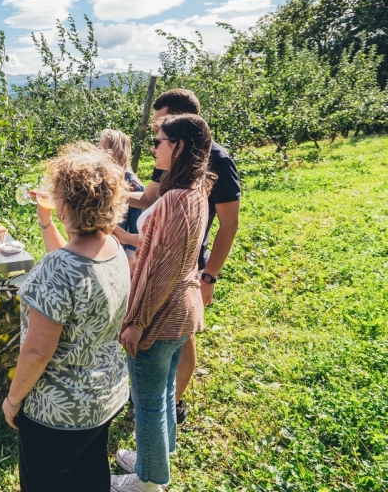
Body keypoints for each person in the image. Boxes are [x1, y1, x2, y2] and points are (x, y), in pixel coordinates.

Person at [1, 143, 131, 492]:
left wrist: (13, 401)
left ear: (67, 202)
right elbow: (72, 265)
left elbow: (36, 352)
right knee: (90, 479)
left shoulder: (57, 268)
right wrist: (46, 220)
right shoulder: (115, 250)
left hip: (58, 414)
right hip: (105, 395)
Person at [113, 115, 215, 492]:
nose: (154, 147)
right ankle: (157, 455)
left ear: (180, 146)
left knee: (149, 404)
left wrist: (137, 320)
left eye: (160, 141)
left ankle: (148, 481)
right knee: (166, 387)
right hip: (185, 310)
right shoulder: (197, 191)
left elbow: (160, 269)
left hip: (162, 313)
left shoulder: (174, 199)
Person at [127, 89, 241, 423]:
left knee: (182, 332)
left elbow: (230, 225)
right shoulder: (168, 154)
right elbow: (148, 198)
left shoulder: (216, 160)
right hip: (165, 252)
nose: (155, 134)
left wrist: (209, 276)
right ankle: (161, 402)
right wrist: (106, 191)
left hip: (190, 262)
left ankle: (172, 403)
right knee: (170, 329)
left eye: (161, 124)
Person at [99, 129, 145, 275]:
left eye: (105, 149)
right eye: (99, 148)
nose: (99, 152)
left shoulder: (134, 186)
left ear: (117, 152)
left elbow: (136, 227)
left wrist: (129, 262)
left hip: (116, 254)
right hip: (95, 248)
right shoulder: (97, 178)